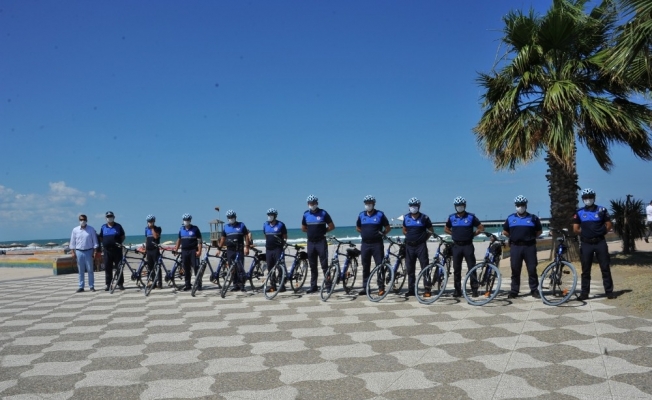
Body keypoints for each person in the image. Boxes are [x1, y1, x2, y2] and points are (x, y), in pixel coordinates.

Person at [572, 188, 615, 300]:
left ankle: (609, 292)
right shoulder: (579, 212)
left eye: (590, 197)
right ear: (582, 199)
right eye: (585, 197)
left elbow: (609, 225)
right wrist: (585, 234)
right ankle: (584, 293)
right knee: (586, 269)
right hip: (586, 244)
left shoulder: (602, 210)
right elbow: (576, 229)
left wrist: (601, 232)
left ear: (594, 198)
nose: (588, 199)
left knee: (605, 267)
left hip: (600, 242)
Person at [502, 195, 542, 299]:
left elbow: (539, 231)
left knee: (532, 269)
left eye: (522, 205)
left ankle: (534, 290)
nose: (521, 207)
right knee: (515, 269)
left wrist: (530, 237)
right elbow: (505, 231)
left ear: (526, 206)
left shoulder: (533, 218)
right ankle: (514, 291)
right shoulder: (510, 218)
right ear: (515, 206)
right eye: (518, 205)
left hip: (529, 247)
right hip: (516, 247)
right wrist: (513, 237)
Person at [444, 196, 484, 297]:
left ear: (465, 205)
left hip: (468, 245)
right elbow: (446, 229)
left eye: (461, 205)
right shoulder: (451, 217)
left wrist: (473, 234)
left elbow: (481, 227)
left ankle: (474, 289)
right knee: (456, 269)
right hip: (456, 246)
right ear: (455, 206)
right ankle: (457, 290)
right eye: (457, 205)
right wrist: (453, 234)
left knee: (471, 267)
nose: (459, 207)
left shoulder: (471, 217)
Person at [356, 195, 391, 295]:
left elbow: (388, 228)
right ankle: (365, 287)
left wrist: (382, 234)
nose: (368, 205)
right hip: (365, 244)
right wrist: (364, 233)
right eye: (366, 203)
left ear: (374, 204)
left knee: (379, 265)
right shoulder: (361, 215)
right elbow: (358, 227)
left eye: (370, 203)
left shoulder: (380, 214)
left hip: (377, 244)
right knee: (365, 266)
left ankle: (381, 287)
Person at [301, 195, 335, 294]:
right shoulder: (306, 214)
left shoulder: (323, 213)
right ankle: (313, 286)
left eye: (314, 203)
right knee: (313, 266)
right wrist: (311, 232)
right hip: (311, 242)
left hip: (321, 242)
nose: (312, 205)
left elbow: (332, 226)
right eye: (310, 203)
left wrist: (322, 231)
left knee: (324, 265)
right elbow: (303, 228)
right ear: (308, 204)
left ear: (317, 203)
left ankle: (328, 286)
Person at [402, 197, 434, 298]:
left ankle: (427, 289)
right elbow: (404, 230)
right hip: (409, 246)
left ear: (419, 206)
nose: (413, 207)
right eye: (411, 206)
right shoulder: (406, 217)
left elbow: (431, 230)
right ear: (409, 207)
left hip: (421, 246)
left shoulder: (424, 218)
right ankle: (411, 289)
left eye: (415, 206)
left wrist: (423, 239)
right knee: (410, 269)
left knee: (425, 267)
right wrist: (409, 237)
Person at [218, 210, 251, 292]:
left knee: (240, 267)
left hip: (239, 249)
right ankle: (235, 284)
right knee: (232, 268)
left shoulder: (241, 225)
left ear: (235, 217)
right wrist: (219, 248)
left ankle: (241, 285)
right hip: (230, 250)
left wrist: (247, 247)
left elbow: (246, 236)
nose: (231, 218)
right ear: (227, 218)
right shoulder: (226, 227)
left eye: (232, 217)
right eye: (229, 217)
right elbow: (222, 239)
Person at [69, 214, 100, 292]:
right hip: (79, 251)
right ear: (79, 220)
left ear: (86, 220)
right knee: (81, 270)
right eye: (81, 220)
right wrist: (72, 252)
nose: (82, 221)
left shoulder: (91, 229)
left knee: (90, 270)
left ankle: (91, 286)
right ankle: (81, 286)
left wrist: (95, 251)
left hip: (89, 251)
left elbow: (95, 242)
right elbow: (72, 242)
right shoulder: (75, 230)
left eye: (84, 220)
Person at [173, 214, 202, 292]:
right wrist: (176, 249)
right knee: (186, 268)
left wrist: (199, 251)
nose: (186, 221)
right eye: (185, 220)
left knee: (196, 267)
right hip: (184, 251)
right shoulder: (181, 229)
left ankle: (199, 284)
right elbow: (179, 240)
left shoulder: (195, 229)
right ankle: (187, 284)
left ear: (190, 220)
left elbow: (199, 240)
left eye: (188, 220)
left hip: (193, 250)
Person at [99, 211, 126, 291]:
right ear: (105, 218)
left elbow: (123, 236)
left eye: (111, 216)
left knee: (119, 267)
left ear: (114, 217)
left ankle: (120, 284)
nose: (109, 218)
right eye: (108, 216)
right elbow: (101, 237)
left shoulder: (118, 226)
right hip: (107, 251)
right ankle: (108, 284)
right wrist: (106, 243)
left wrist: (118, 243)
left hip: (117, 250)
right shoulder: (103, 227)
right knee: (108, 267)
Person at [263, 208, 288, 292]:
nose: (269, 216)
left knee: (280, 267)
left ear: (275, 216)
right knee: (270, 267)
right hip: (269, 249)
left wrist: (283, 244)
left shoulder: (281, 224)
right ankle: (272, 285)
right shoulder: (265, 225)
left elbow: (285, 236)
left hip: (278, 249)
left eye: (271, 215)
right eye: (268, 215)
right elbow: (266, 236)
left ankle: (282, 285)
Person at [144, 215, 162, 289]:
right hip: (149, 250)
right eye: (149, 221)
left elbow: (156, 237)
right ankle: (153, 282)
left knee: (157, 266)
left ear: (154, 221)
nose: (150, 222)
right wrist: (145, 249)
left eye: (151, 221)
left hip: (155, 250)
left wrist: (152, 229)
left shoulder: (158, 228)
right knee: (150, 268)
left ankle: (159, 283)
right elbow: (146, 239)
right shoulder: (146, 229)